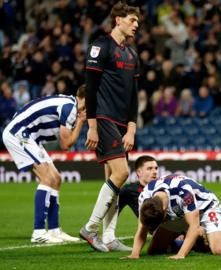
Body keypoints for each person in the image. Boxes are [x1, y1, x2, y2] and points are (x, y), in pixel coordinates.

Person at [80, 1, 140, 252]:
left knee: (112, 179)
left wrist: (132, 128)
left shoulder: (132, 54)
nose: (136, 25)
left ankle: (109, 236)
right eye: (132, 20)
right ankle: (90, 229)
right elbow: (90, 88)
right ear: (118, 20)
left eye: (138, 22)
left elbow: (134, 95)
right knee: (122, 173)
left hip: (121, 123)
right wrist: (92, 126)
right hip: (103, 118)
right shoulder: (100, 46)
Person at [2, 85, 86, 243]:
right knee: (47, 178)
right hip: (19, 133)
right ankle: (39, 232)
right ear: (84, 98)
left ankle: (54, 230)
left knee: (56, 178)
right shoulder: (71, 109)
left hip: (29, 136)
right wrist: (81, 121)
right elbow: (66, 144)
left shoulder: (69, 103)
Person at [125, 174, 221, 259]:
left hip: (205, 208)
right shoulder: (144, 197)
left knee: (220, 251)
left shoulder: (183, 192)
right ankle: (198, 240)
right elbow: (141, 228)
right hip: (180, 215)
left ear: (165, 212)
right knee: (155, 251)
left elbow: (194, 225)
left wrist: (181, 254)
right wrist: (134, 254)